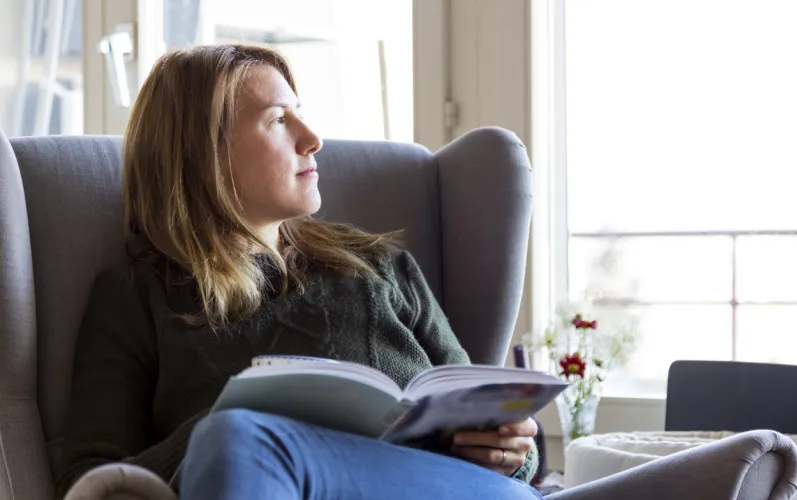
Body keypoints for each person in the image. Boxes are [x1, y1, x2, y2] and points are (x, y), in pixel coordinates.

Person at [56, 44, 544, 500]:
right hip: (271, 478)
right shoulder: (138, 293)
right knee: (237, 439)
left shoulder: (380, 265)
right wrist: (222, 426)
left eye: (300, 114)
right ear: (204, 154)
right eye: (277, 120)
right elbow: (91, 482)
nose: (312, 139)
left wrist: (510, 447)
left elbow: (503, 440)